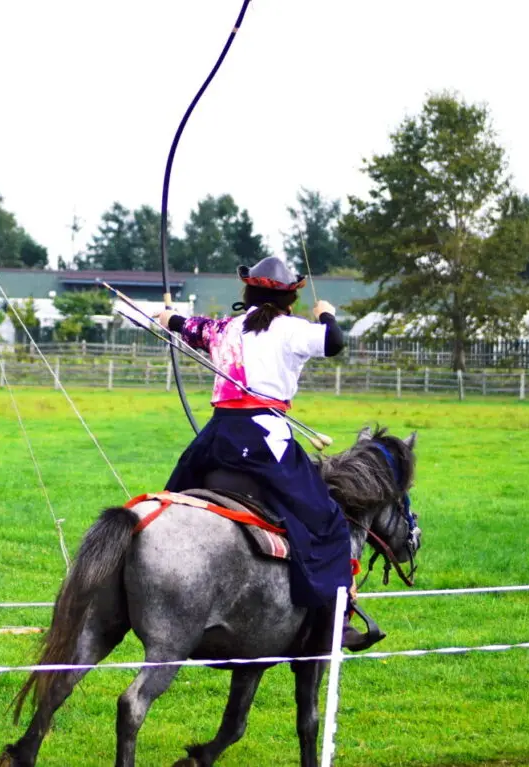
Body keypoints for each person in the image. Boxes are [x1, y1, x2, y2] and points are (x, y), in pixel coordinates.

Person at [156, 256, 383, 651]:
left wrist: (167, 317)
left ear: (248, 292)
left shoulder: (223, 328)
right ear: (289, 298)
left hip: (216, 438)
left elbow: (185, 327)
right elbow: (334, 341)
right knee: (328, 520)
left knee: (169, 499)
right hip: (265, 439)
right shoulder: (293, 329)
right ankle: (337, 618)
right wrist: (327, 314)